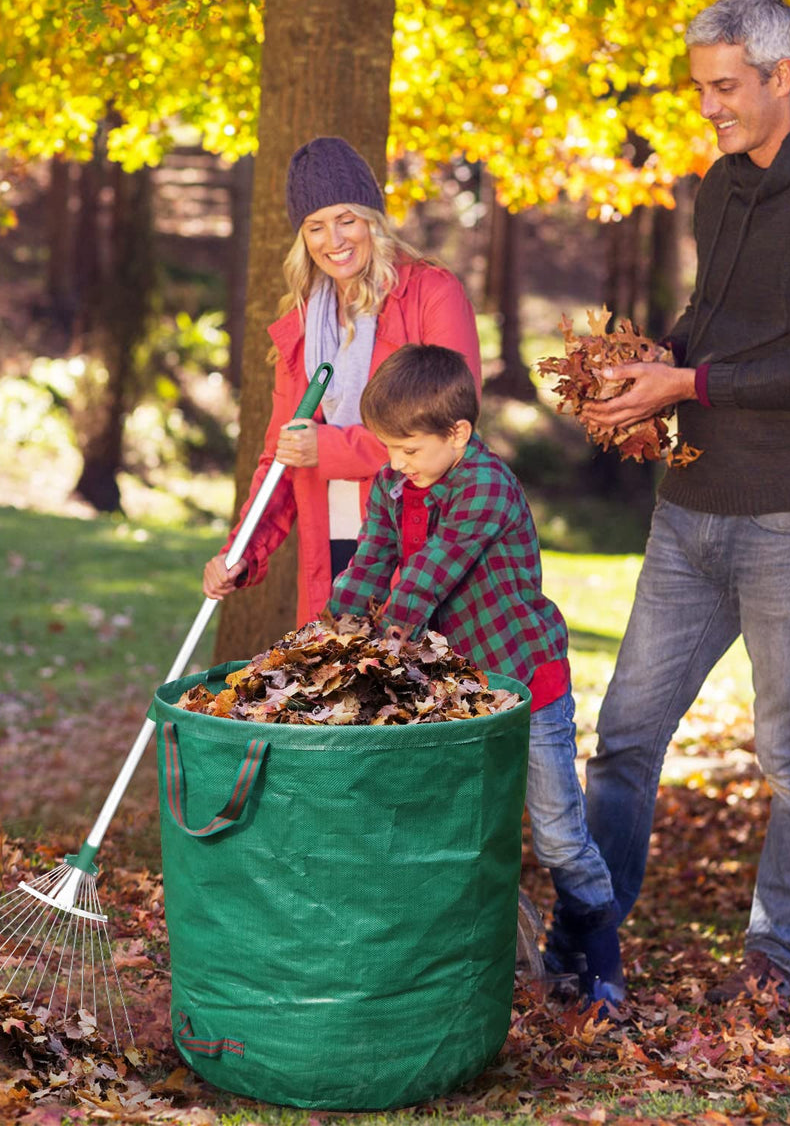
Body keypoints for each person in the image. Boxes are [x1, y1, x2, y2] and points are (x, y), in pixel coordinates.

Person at [574, 0, 790, 1004]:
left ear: (780, 76)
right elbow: (713, 321)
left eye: (724, 87)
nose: (708, 106)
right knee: (625, 735)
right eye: (700, 86)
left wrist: (688, 383)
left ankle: (777, 961)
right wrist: (647, 370)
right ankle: (591, 947)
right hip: (690, 509)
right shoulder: (720, 188)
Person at [324, 343, 626, 1012]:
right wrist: (333, 635)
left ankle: (600, 960)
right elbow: (372, 562)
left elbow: (434, 569)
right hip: (460, 693)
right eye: (388, 450)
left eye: (409, 450)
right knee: (466, 827)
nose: (396, 464)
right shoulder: (394, 484)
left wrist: (390, 639)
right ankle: (485, 961)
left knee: (557, 837)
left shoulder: (484, 484)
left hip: (527, 682)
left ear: (457, 434)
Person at [203, 136, 482, 624]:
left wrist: (328, 449)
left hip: (422, 540)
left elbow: (451, 426)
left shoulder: (431, 294)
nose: (333, 241)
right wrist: (242, 551)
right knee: (339, 689)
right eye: (315, 227)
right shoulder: (306, 323)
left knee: (413, 691)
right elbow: (282, 452)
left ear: (371, 218)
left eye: (346, 220)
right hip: (334, 540)